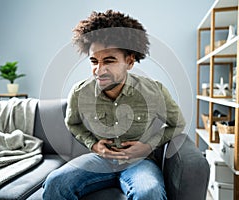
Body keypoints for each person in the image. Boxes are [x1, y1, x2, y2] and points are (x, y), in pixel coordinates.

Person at [42, 10, 186, 200]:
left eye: (109, 61)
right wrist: (93, 145)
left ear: (130, 62)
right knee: (55, 183)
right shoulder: (79, 93)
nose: (99, 70)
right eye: (94, 61)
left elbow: (178, 123)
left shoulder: (154, 91)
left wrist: (147, 146)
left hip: (140, 162)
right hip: (100, 160)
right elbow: (73, 123)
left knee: (149, 192)